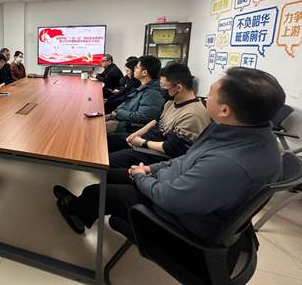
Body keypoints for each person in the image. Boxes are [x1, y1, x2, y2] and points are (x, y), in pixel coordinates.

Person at [53, 67, 284, 241]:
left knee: (98, 191)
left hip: (178, 218)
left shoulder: (229, 163)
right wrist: (150, 169)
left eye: (211, 93)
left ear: (225, 110)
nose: (205, 97)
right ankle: (84, 208)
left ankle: (76, 212)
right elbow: (188, 157)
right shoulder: (240, 131)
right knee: (108, 173)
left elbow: (172, 199)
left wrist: (142, 177)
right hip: (175, 183)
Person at [107, 62, 211, 183]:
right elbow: (157, 121)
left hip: (157, 153)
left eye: (165, 88)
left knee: (108, 161)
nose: (162, 91)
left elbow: (173, 148)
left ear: (178, 88)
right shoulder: (172, 102)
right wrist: (137, 134)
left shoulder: (192, 115)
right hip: (147, 140)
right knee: (109, 140)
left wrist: (142, 142)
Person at [106, 55, 165, 134]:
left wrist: (119, 113)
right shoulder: (143, 87)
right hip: (123, 118)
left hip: (128, 126)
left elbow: (143, 117)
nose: (134, 69)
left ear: (144, 72)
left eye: (137, 67)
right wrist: (117, 112)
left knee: (98, 127)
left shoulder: (152, 93)